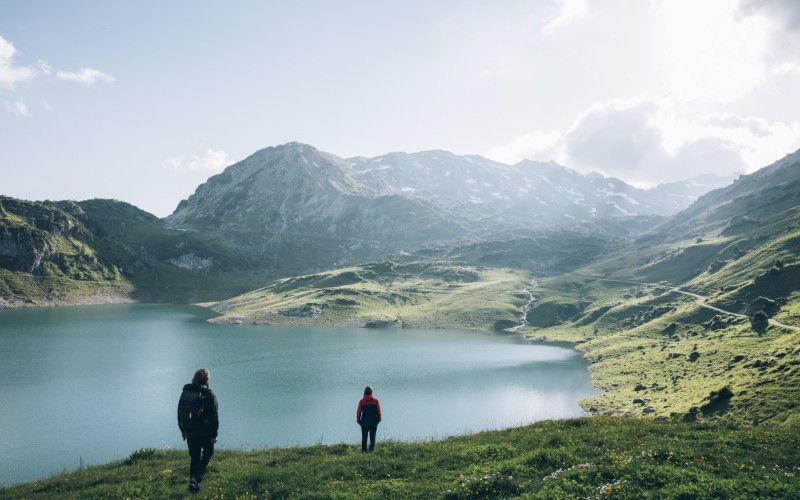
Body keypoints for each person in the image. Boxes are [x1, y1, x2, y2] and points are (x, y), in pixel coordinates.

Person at [177, 368, 219, 493]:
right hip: (205, 432)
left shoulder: (186, 393)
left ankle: (192, 486)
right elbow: (214, 417)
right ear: (207, 380)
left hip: (190, 431)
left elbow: (179, 413)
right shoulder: (209, 394)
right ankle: (196, 479)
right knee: (208, 453)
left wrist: (183, 430)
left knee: (194, 457)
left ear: (194, 379)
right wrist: (214, 434)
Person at [356, 386, 382, 452]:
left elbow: (358, 412)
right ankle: (371, 450)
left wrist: (358, 420)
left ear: (364, 392)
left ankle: (364, 451)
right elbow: (379, 412)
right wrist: (378, 419)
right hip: (373, 422)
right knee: (372, 437)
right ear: (371, 392)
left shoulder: (361, 401)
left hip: (364, 422)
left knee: (364, 438)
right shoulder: (376, 401)